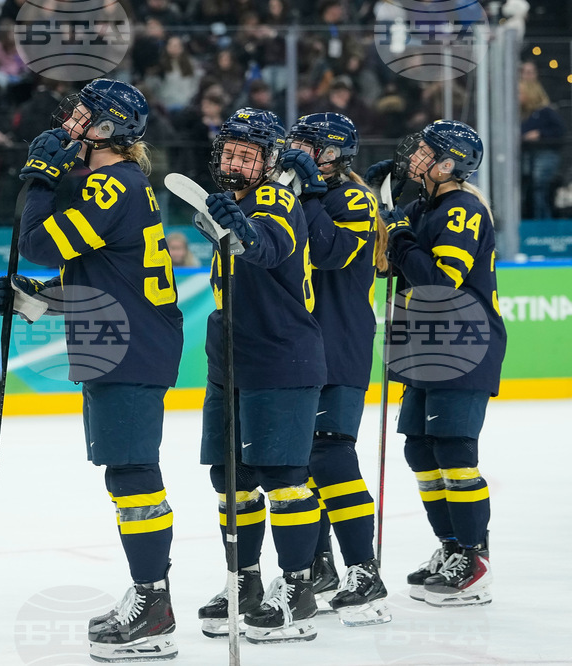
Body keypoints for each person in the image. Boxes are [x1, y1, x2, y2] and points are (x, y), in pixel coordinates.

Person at [0, 79, 184, 662]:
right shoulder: (120, 182)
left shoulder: (112, 183)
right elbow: (98, 275)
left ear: (108, 130)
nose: (70, 125)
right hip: (123, 343)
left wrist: (38, 180)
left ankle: (154, 604)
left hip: (129, 349)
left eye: (83, 117)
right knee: (126, 475)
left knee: (134, 475)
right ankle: (150, 595)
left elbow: (40, 244)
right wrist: (37, 299)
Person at [191, 108, 325, 643]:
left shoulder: (275, 198)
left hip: (281, 356)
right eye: (230, 151)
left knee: (285, 480)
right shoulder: (234, 200)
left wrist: (241, 229)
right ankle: (243, 582)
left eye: (247, 155)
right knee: (231, 480)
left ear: (269, 161)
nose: (234, 162)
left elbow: (267, 247)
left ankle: (298, 589)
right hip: (231, 357)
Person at [367, 120, 505, 607]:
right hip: (424, 344)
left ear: (448, 165)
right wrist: (380, 204)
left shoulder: (463, 209)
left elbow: (441, 284)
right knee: (422, 452)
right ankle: (451, 547)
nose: (415, 157)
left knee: (453, 451)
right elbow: (384, 265)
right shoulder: (419, 208)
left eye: (426, 152)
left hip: (462, 342)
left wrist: (401, 235)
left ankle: (474, 556)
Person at [282, 112, 391, 626]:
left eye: (311, 147)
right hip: (300, 345)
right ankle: (318, 566)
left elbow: (328, 253)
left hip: (340, 342)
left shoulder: (354, 198)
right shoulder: (293, 193)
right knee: (300, 463)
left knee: (330, 453)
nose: (299, 152)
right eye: (297, 143)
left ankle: (364, 571)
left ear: (335, 156)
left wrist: (303, 194)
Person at [519, 79, 566, 219]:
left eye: (520, 92)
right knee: (529, 188)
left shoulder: (545, 112)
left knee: (540, 188)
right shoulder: (522, 114)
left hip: (545, 154)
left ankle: (543, 221)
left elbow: (561, 130)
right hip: (527, 156)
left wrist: (540, 134)